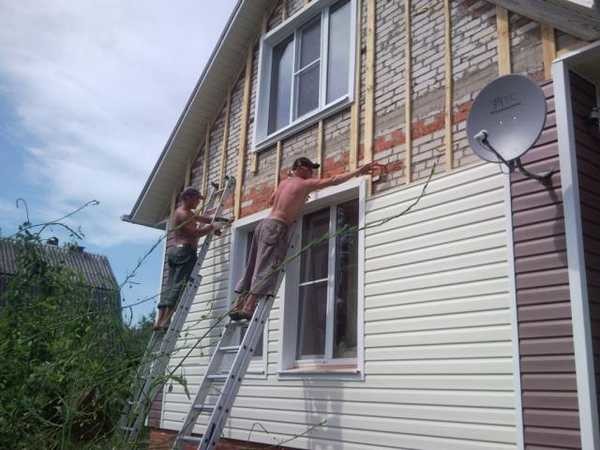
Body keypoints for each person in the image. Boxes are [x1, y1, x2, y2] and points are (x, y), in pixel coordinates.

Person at [229, 157, 376, 321]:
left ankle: (238, 304)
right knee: (267, 266)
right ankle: (249, 307)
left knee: (252, 265)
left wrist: (296, 200)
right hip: (277, 227)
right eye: (311, 169)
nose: (313, 173)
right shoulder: (304, 184)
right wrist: (358, 171)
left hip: (263, 225)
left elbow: (271, 200)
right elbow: (334, 180)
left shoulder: (284, 183)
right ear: (301, 168)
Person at [154, 187, 226, 331]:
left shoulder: (184, 213)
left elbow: (201, 219)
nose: (197, 203)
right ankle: (165, 322)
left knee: (169, 286)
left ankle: (158, 321)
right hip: (184, 252)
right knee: (179, 286)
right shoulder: (183, 214)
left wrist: (219, 221)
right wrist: (211, 227)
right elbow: (194, 233)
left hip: (175, 251)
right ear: (187, 198)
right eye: (196, 199)